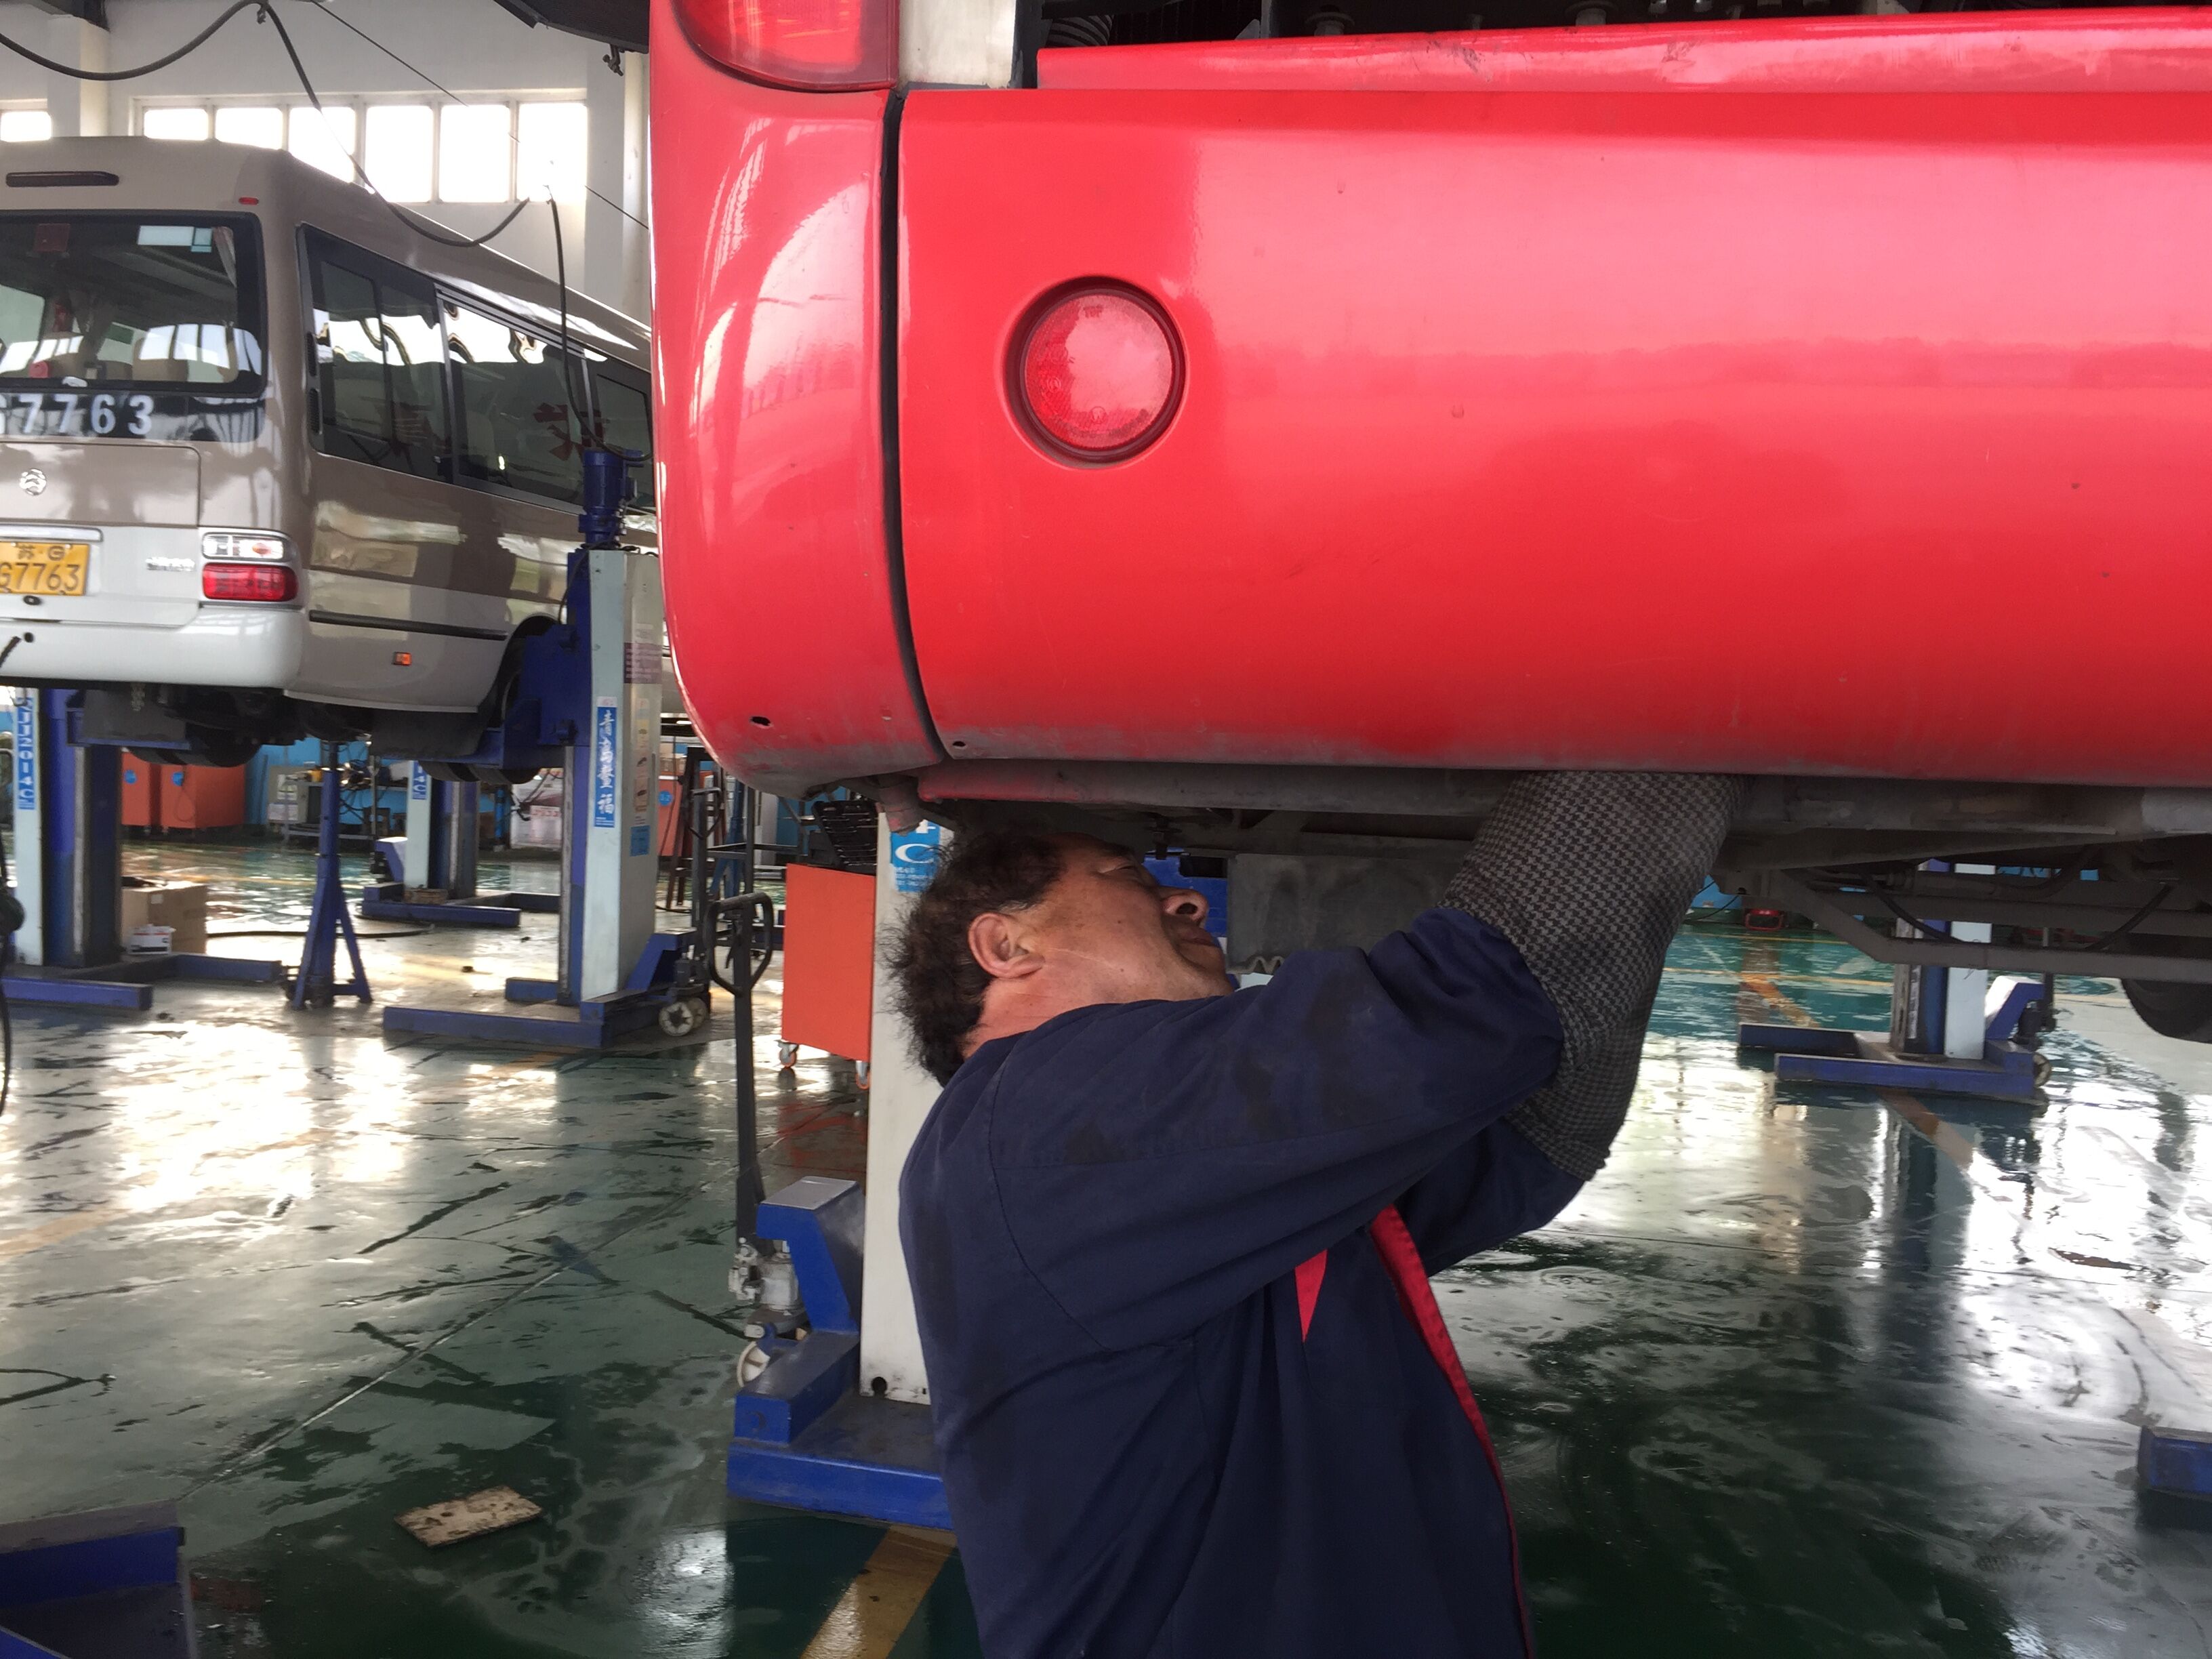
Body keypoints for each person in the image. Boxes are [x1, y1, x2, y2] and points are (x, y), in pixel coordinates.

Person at [894, 772, 1742, 1658]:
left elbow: (1516, 1150)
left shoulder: (1146, 1170)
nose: (1187, 901)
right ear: (1007, 944)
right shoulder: (1032, 1118)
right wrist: (1655, 750)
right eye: (1129, 879)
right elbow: (1457, 1019)